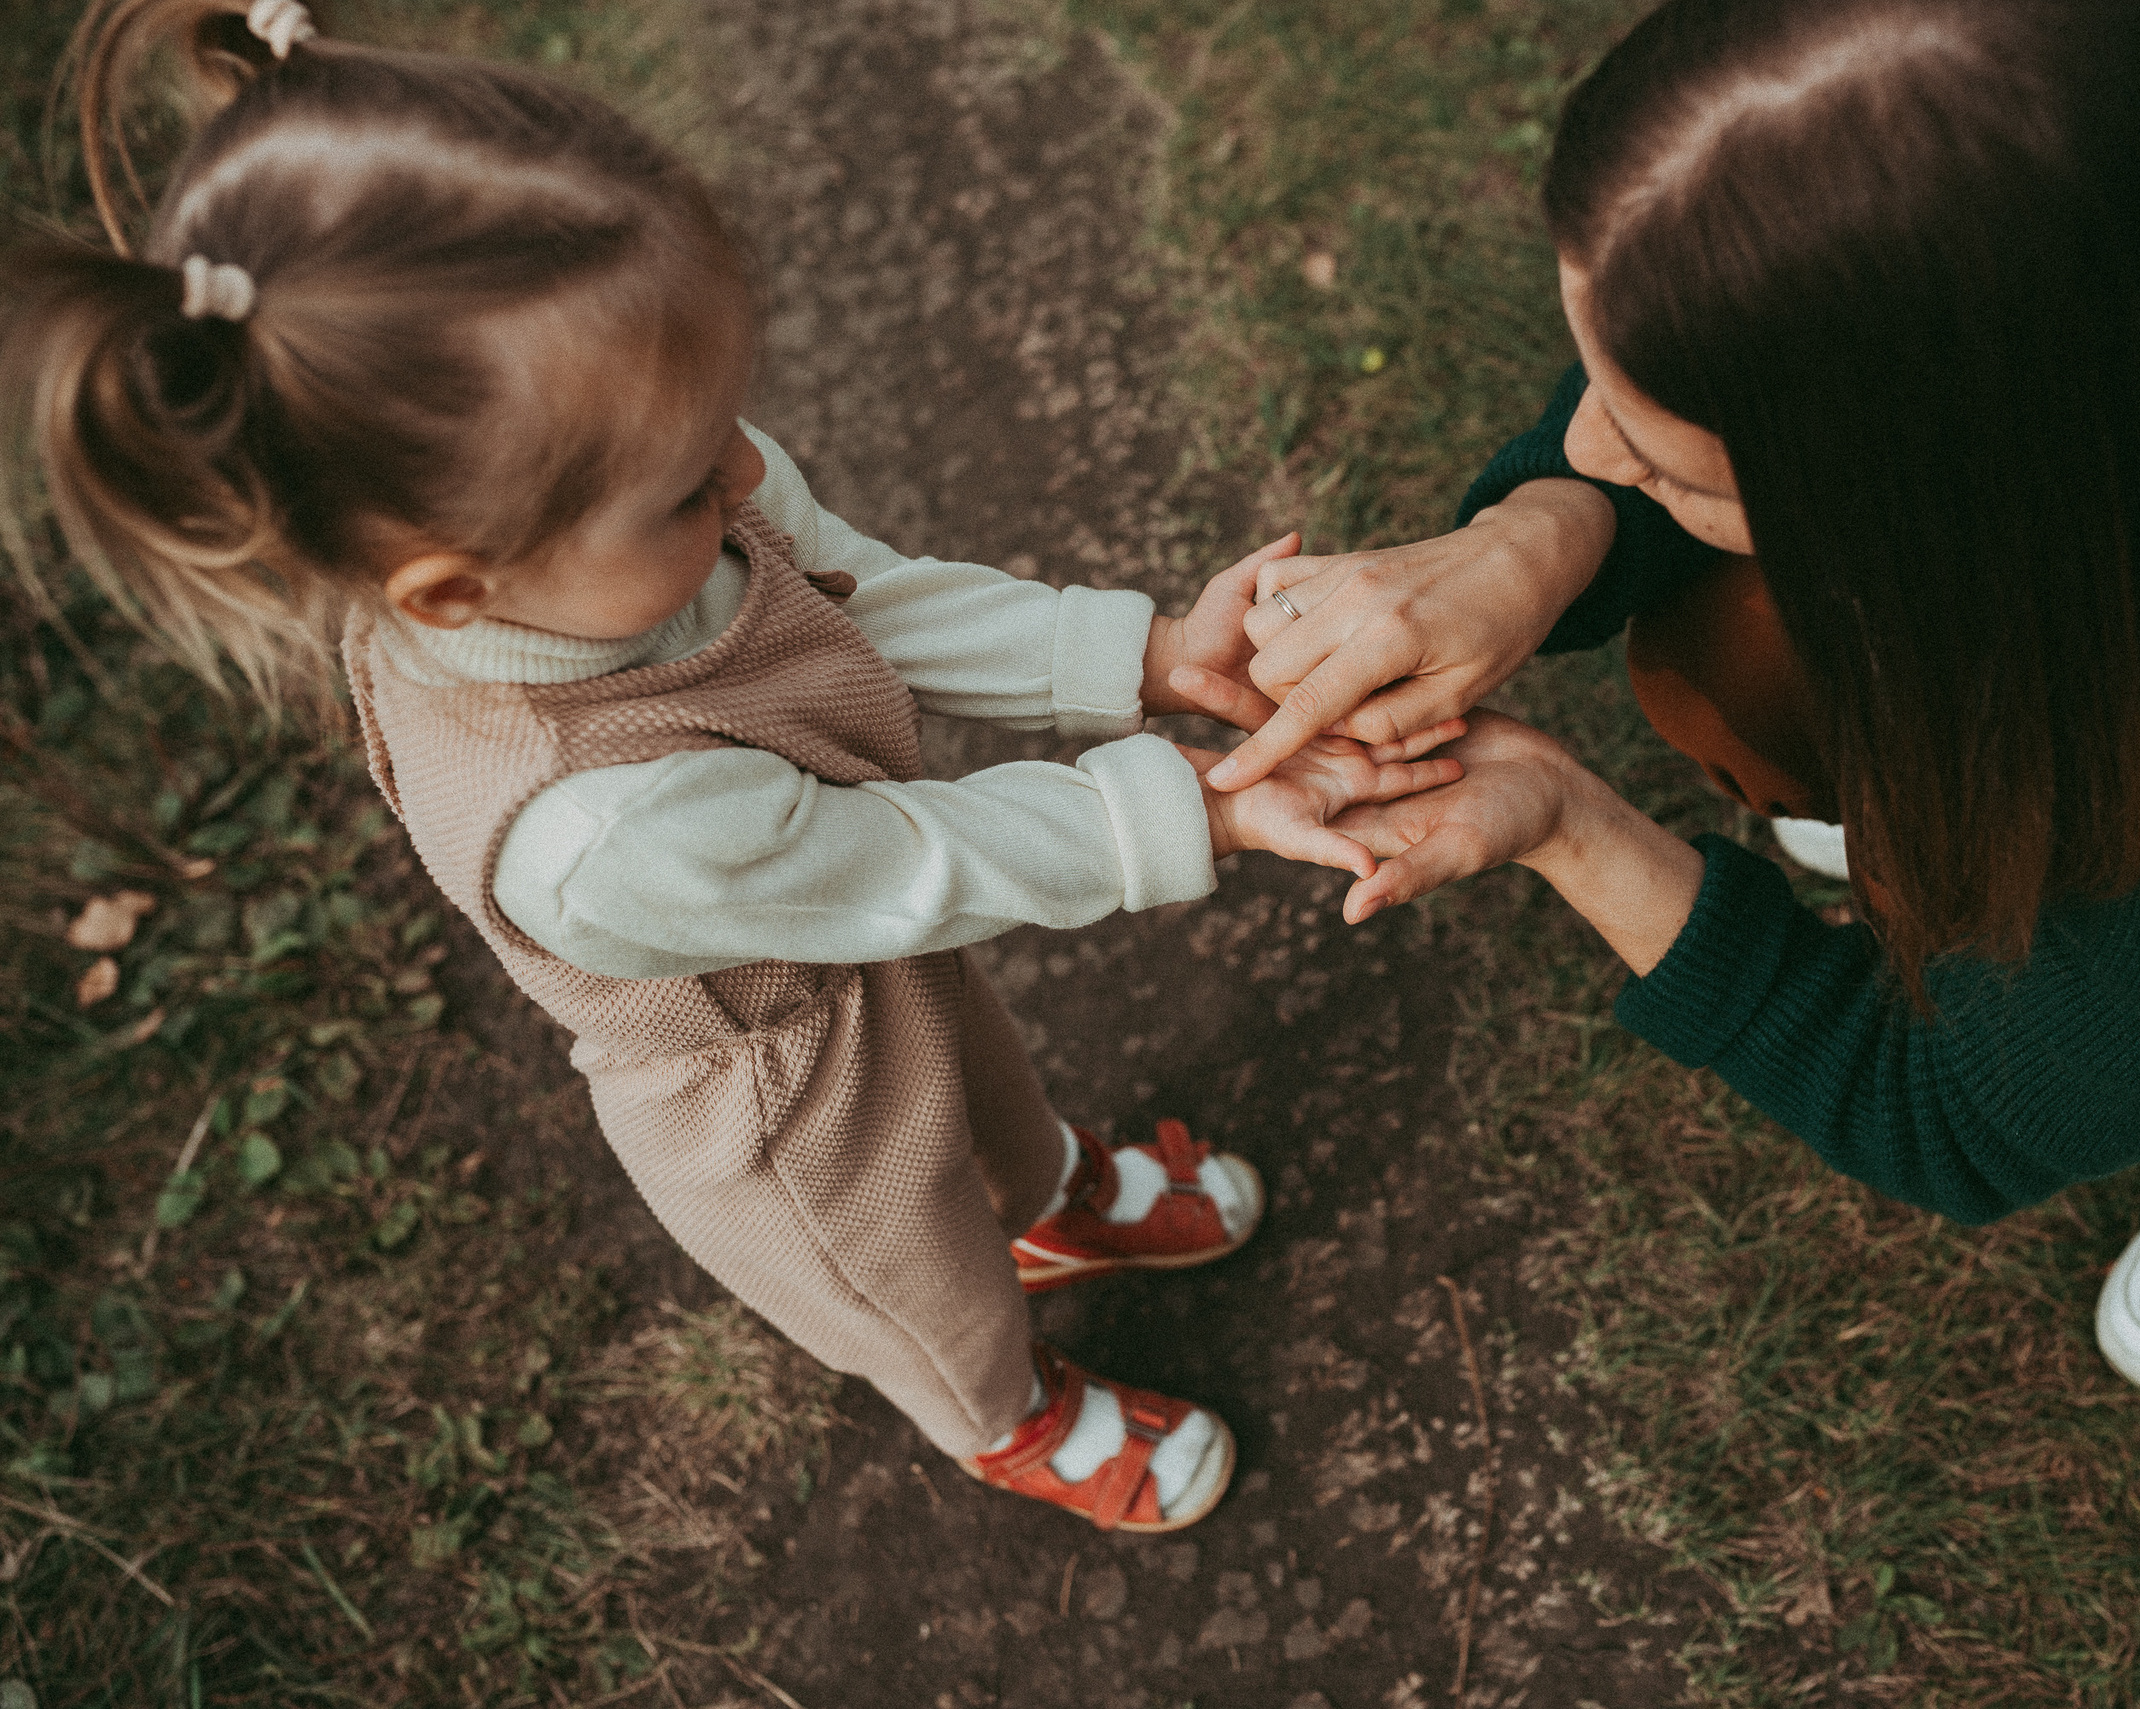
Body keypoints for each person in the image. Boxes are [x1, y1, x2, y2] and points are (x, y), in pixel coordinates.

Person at [2, 0, 1465, 1530]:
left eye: (723, 429)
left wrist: (1145, 655)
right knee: (918, 1285)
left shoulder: (626, 506)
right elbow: (910, 862)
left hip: (868, 955)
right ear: (450, 587)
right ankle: (1012, 1418)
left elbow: (856, 596)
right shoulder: (590, 826)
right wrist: (1205, 808)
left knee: (988, 1088)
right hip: (783, 1102)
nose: (750, 474)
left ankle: (1049, 1198)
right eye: (695, 483)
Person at [1190, 0, 2140, 1400]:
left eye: (1670, 463)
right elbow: (1737, 306)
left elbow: (1944, 1105)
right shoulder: (2088, 98)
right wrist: (1542, 528)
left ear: (1948, 494)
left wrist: (1565, 823)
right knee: (1729, 658)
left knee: (2072, 904)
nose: (1591, 442)